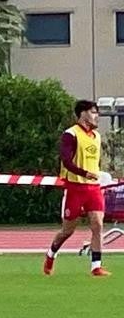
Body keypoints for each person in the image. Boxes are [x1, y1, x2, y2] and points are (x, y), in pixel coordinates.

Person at [44, 100, 113, 277]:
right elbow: (66, 161)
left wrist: (96, 174)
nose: (96, 116)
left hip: (93, 188)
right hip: (75, 187)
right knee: (68, 230)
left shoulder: (96, 136)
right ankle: (51, 254)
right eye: (93, 112)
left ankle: (96, 266)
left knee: (97, 224)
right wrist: (83, 173)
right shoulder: (70, 134)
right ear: (83, 114)